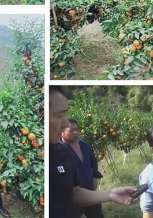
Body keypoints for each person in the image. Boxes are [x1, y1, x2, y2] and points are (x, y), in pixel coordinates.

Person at [49, 86, 139, 218]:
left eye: (66, 115)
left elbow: (74, 194)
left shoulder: (63, 152)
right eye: (59, 116)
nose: (65, 124)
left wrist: (110, 194)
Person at [61, 118, 104, 218]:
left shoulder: (84, 145)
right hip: (73, 198)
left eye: (77, 129)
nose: (75, 133)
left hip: (90, 193)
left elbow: (93, 162)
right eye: (71, 130)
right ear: (62, 131)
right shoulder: (60, 150)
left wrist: (94, 178)